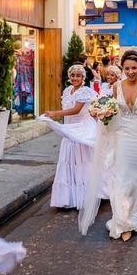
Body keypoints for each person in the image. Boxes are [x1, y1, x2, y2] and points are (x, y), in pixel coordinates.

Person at [80, 50, 137, 242]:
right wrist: (101, 114)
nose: (131, 72)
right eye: (127, 68)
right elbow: (114, 111)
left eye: (134, 68)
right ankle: (123, 221)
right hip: (122, 135)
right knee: (122, 177)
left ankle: (136, 213)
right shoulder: (116, 86)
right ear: (122, 69)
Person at [44, 65, 98, 209]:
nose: (75, 78)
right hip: (69, 130)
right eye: (73, 75)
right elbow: (67, 108)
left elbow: (76, 110)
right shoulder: (67, 91)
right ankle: (69, 197)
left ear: (83, 78)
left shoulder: (85, 92)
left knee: (83, 161)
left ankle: (86, 196)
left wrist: (56, 114)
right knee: (69, 161)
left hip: (82, 128)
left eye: (78, 76)